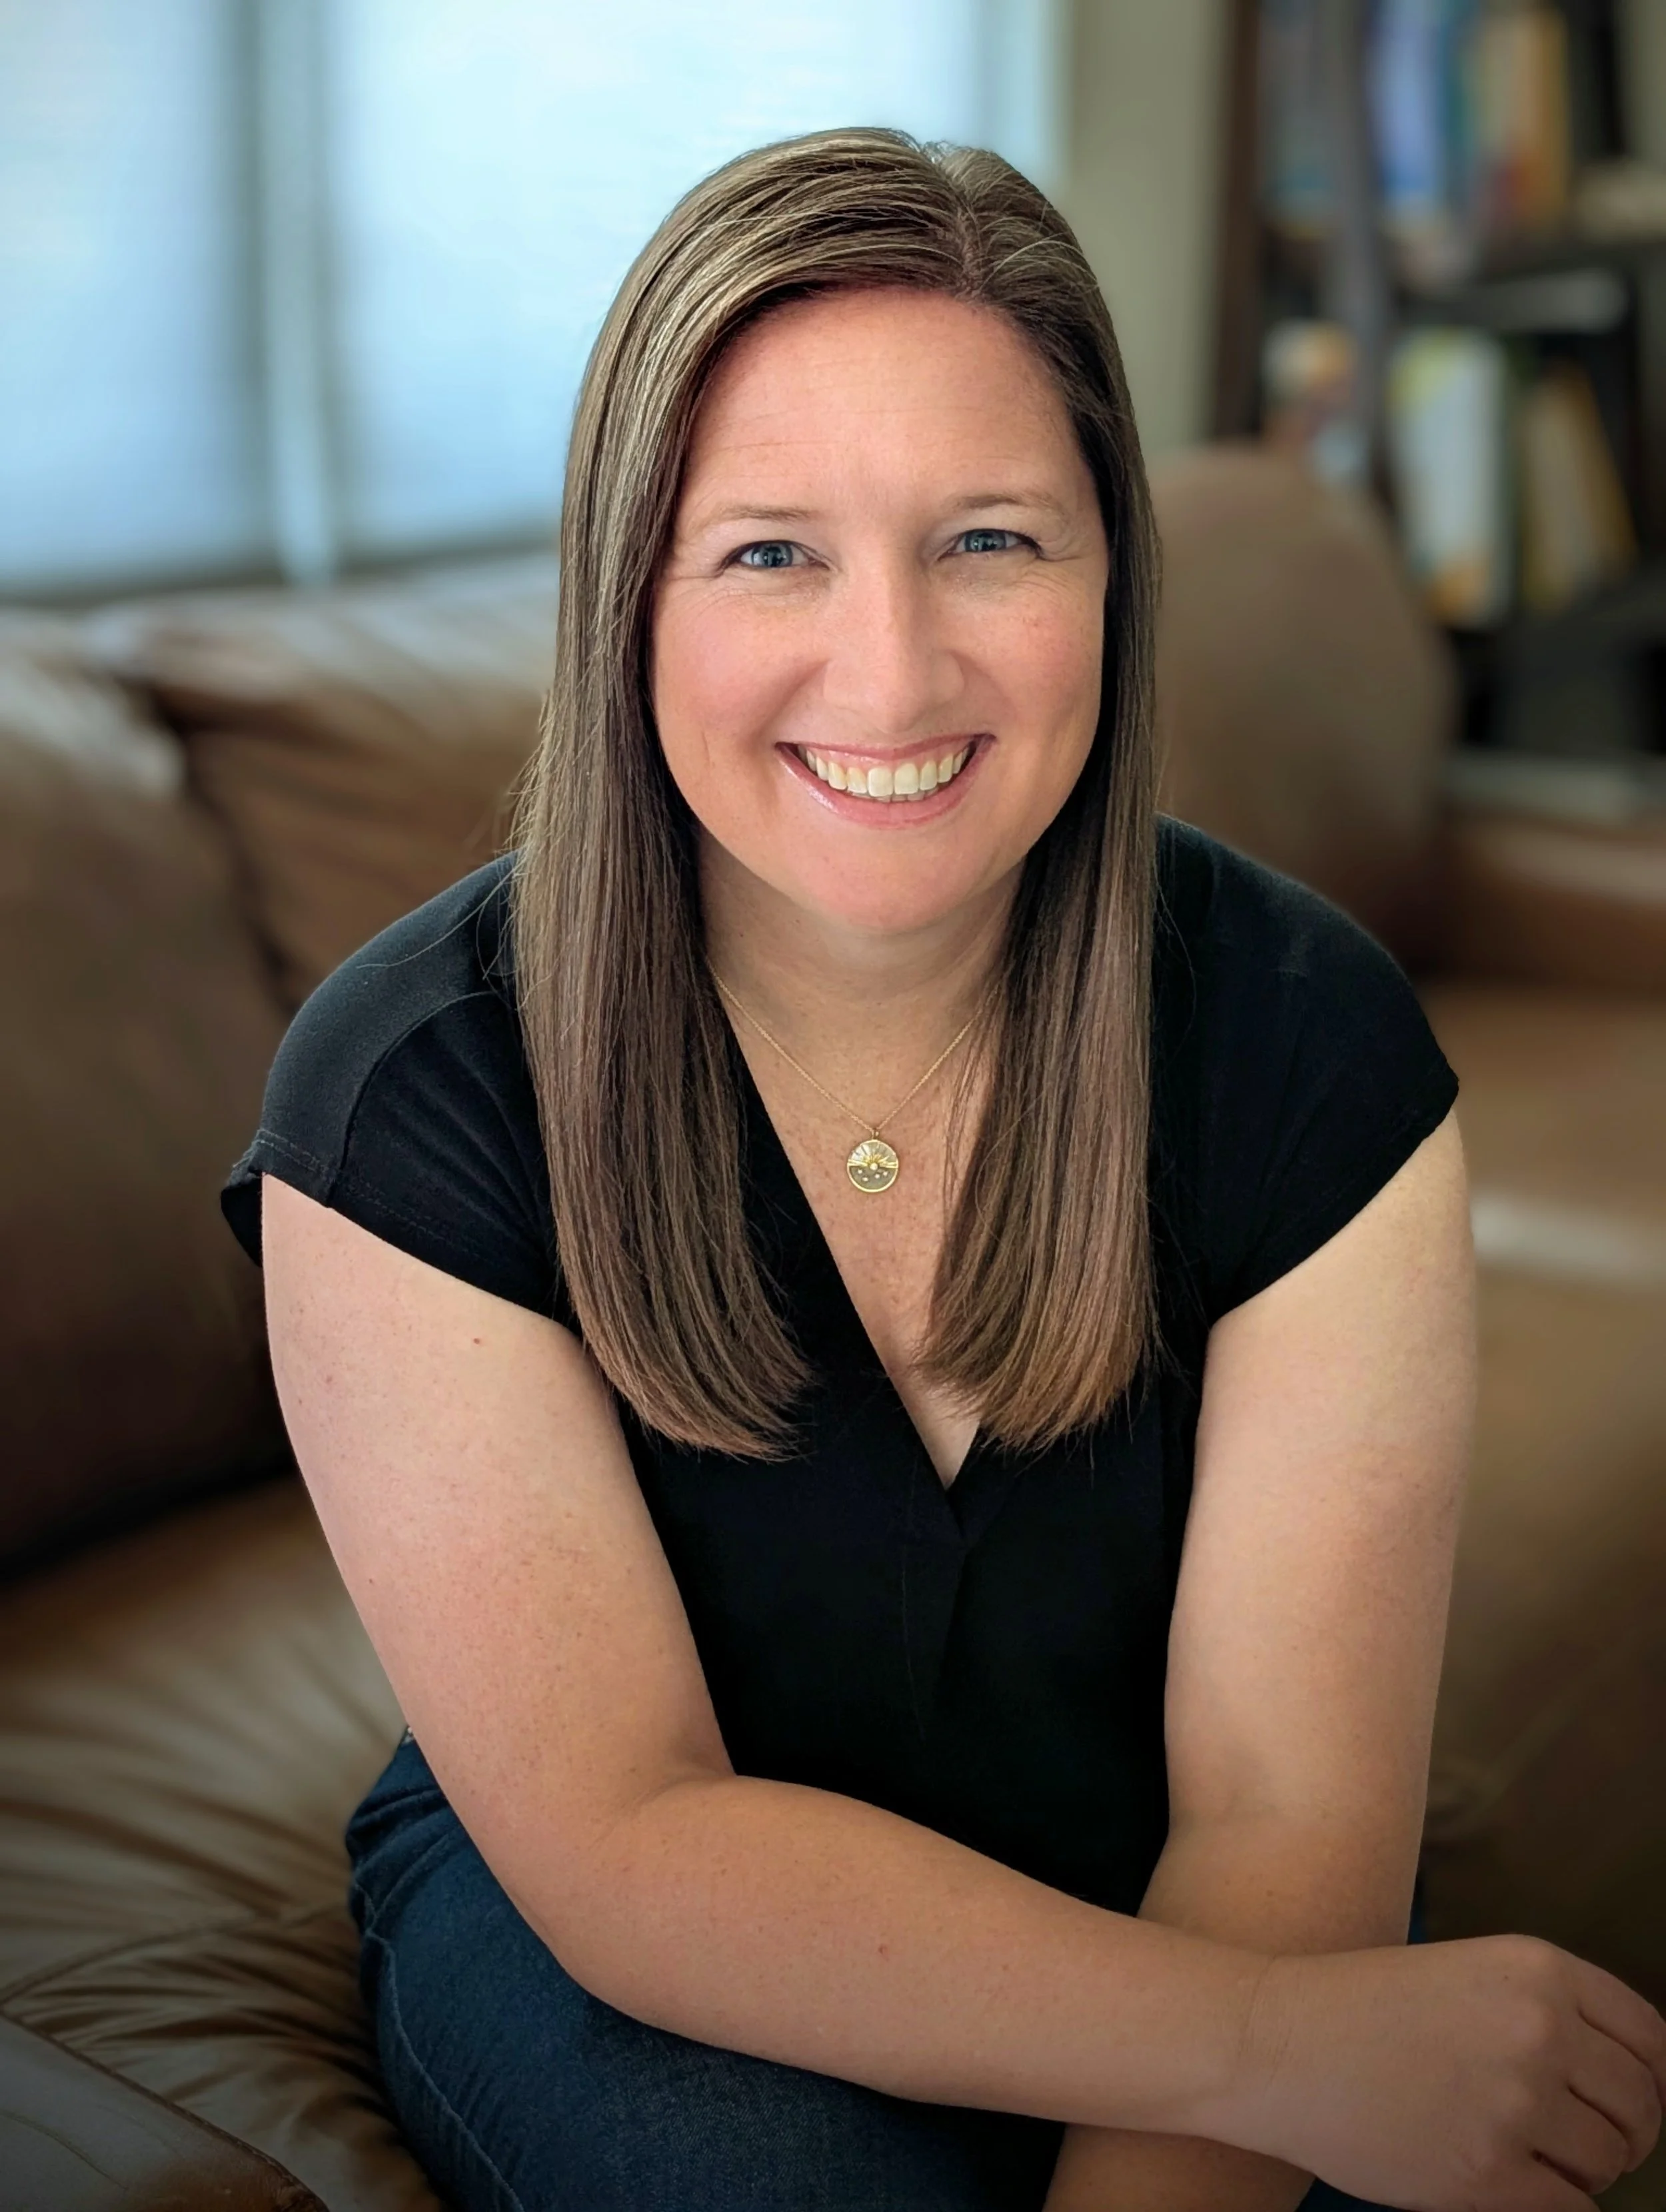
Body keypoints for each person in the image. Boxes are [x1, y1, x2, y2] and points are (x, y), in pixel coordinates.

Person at [222, 130, 1665, 2212]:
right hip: (626, 1938)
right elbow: (633, 1834)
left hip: (1174, 1867)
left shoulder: (1303, 1040)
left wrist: (1250, 2052)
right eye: (769, 553)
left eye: (988, 540)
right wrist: (1268, 2052)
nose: (889, 674)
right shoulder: (403, 1098)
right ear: (623, 593)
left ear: (1110, 576)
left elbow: (1274, 1805)